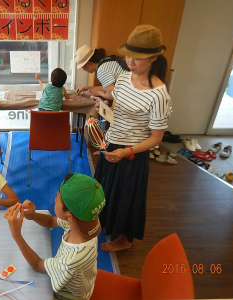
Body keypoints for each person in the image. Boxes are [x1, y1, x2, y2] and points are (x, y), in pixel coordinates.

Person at [94, 25, 172, 252]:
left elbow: (156, 138)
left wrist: (126, 151)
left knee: (126, 197)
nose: (130, 61)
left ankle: (124, 240)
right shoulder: (123, 78)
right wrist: (105, 139)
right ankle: (104, 223)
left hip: (132, 153)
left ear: (154, 58)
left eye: (137, 58)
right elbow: (116, 109)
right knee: (105, 189)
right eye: (128, 55)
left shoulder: (158, 94)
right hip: (112, 145)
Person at [5, 173, 106, 300]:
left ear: (69, 216)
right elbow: (50, 221)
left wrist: (16, 234)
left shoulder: (69, 261)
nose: (54, 201)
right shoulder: (85, 223)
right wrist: (33, 215)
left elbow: (37, 265)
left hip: (68, 297)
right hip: (84, 283)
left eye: (56, 199)